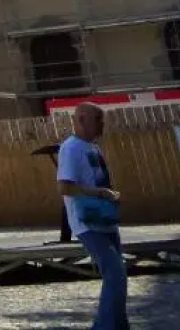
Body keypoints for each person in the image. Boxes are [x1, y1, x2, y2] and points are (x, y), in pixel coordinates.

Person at [57, 102, 127, 329]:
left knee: (119, 277)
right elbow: (65, 187)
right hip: (86, 222)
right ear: (82, 118)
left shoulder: (93, 147)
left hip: (105, 220)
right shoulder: (71, 148)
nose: (102, 125)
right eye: (98, 120)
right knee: (114, 273)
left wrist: (109, 196)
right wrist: (98, 192)